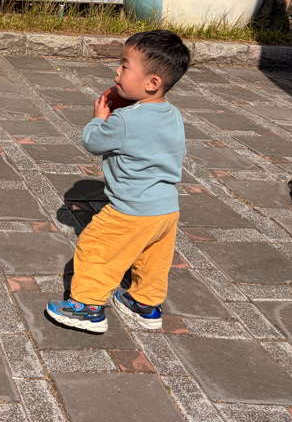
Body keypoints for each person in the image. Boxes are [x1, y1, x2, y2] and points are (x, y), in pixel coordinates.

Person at [46, 29, 190, 333]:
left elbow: (93, 142)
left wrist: (99, 118)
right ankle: (145, 304)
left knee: (95, 247)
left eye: (124, 66)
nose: (117, 72)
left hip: (130, 209)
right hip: (166, 209)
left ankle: (87, 307)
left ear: (152, 83)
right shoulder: (173, 114)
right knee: (153, 259)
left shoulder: (124, 120)